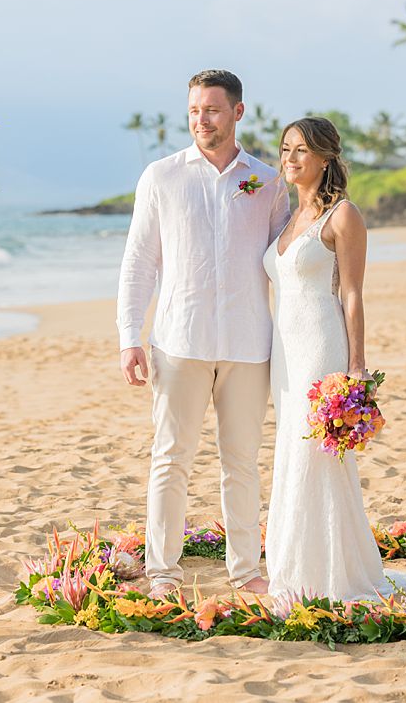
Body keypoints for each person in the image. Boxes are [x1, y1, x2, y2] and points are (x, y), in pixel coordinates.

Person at [262, 117, 406, 602]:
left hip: (321, 350)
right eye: (286, 149)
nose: (291, 159)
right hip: (283, 357)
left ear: (326, 158)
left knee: (318, 458)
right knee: (291, 454)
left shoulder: (343, 216)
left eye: (302, 151)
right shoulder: (288, 216)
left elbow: (352, 295)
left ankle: (330, 574)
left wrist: (356, 367)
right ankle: (291, 569)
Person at [116, 70, 290, 599]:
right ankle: (162, 572)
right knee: (171, 459)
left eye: (212, 110)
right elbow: (139, 262)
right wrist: (130, 336)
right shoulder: (161, 177)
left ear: (237, 113)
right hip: (178, 342)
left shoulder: (267, 180)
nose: (201, 120)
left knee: (241, 462)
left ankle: (245, 569)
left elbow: (286, 260)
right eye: (194, 110)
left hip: (248, 346)